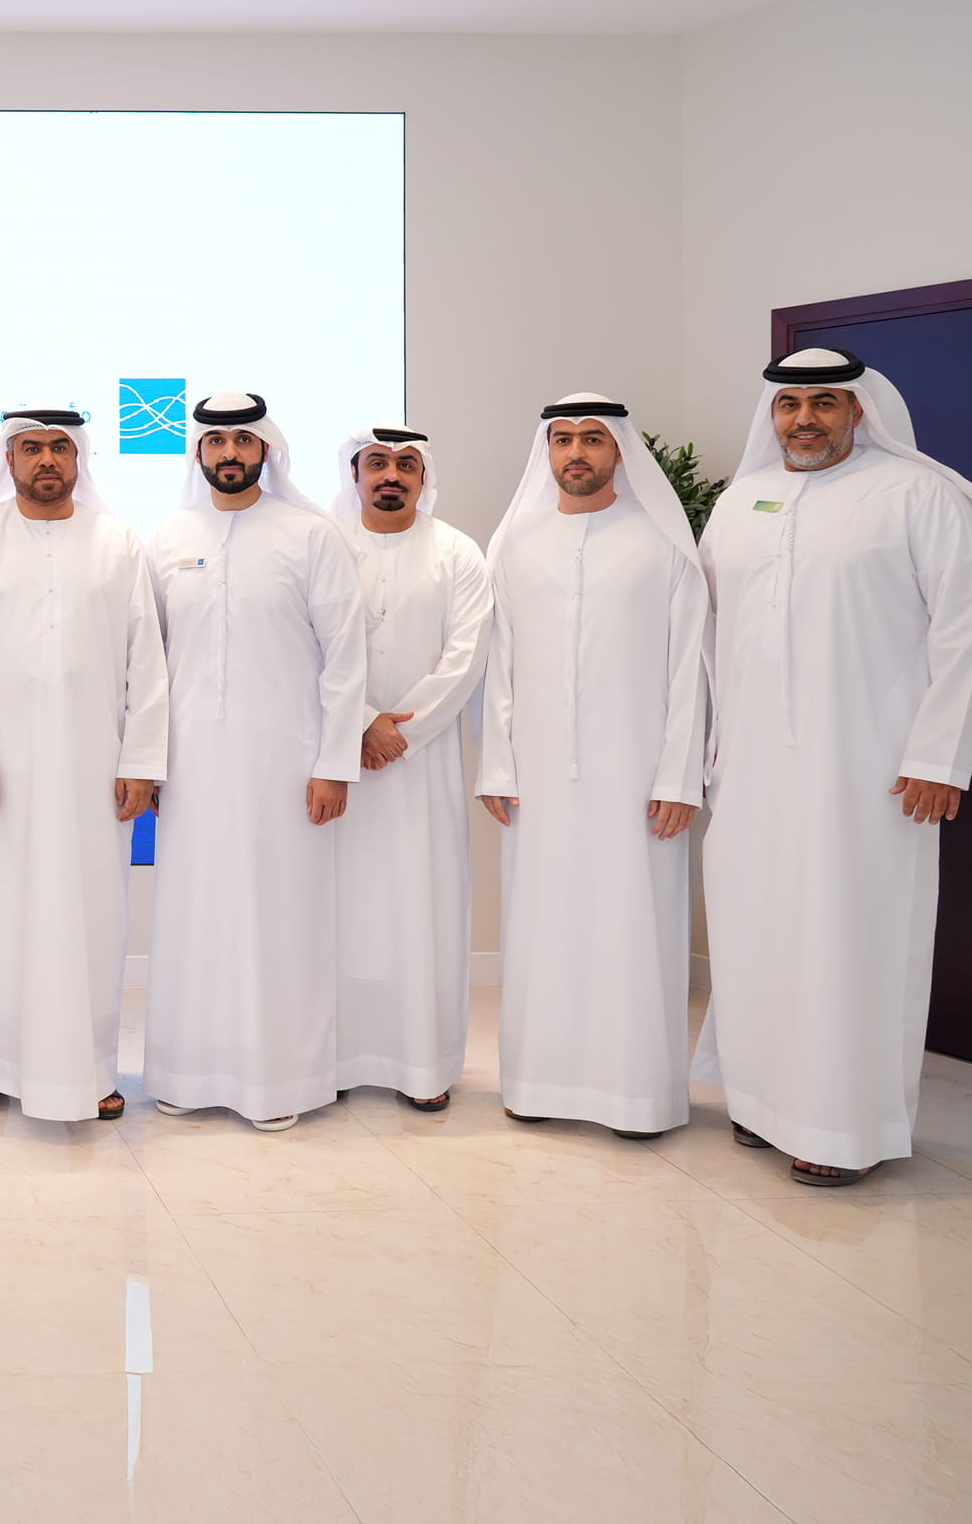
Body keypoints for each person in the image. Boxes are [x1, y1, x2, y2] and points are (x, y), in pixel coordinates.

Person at [695, 348, 972, 1185]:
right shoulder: (740, 502)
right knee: (756, 927)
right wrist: (711, 746)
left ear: (859, 410)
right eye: (790, 404)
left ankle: (841, 1127)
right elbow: (709, 636)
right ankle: (761, 1100)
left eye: (824, 402)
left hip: (872, 768)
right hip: (750, 766)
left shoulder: (919, 495)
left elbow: (968, 629)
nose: (805, 419)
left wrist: (939, 756)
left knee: (851, 935)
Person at [0, 406, 168, 1122]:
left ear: (78, 458)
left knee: (93, 915)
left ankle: (91, 1070)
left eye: (60, 448)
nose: (46, 461)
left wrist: (142, 760)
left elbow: (147, 658)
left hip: (96, 767)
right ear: (8, 459)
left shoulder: (118, 541)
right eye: (31, 448)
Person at [479, 395, 708, 1138]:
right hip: (539, 777)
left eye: (592, 439)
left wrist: (679, 776)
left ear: (620, 451)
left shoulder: (662, 545)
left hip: (638, 775)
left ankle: (636, 1097)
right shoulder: (517, 544)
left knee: (632, 925)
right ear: (547, 451)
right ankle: (538, 1085)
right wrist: (498, 766)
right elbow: (500, 664)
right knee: (542, 924)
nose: (575, 452)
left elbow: (690, 669)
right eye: (562, 439)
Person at [145, 395, 365, 1132]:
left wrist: (334, 763)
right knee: (193, 916)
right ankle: (188, 1074)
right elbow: (148, 664)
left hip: (287, 767)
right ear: (200, 454)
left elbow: (345, 658)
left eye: (244, 440)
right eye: (217, 442)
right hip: (191, 769)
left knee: (280, 920)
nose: (230, 453)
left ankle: (281, 1083)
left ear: (266, 449)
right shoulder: (169, 537)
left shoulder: (311, 535)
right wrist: (149, 760)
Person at [330, 427, 491, 1111]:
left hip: (423, 767)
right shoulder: (327, 547)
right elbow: (309, 647)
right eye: (377, 463)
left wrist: (401, 731)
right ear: (355, 475)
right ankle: (336, 1059)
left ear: (424, 478)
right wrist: (362, 721)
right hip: (340, 758)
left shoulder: (458, 551)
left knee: (424, 906)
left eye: (405, 465)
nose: (390, 475)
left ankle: (423, 1067)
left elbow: (468, 654)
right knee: (341, 910)